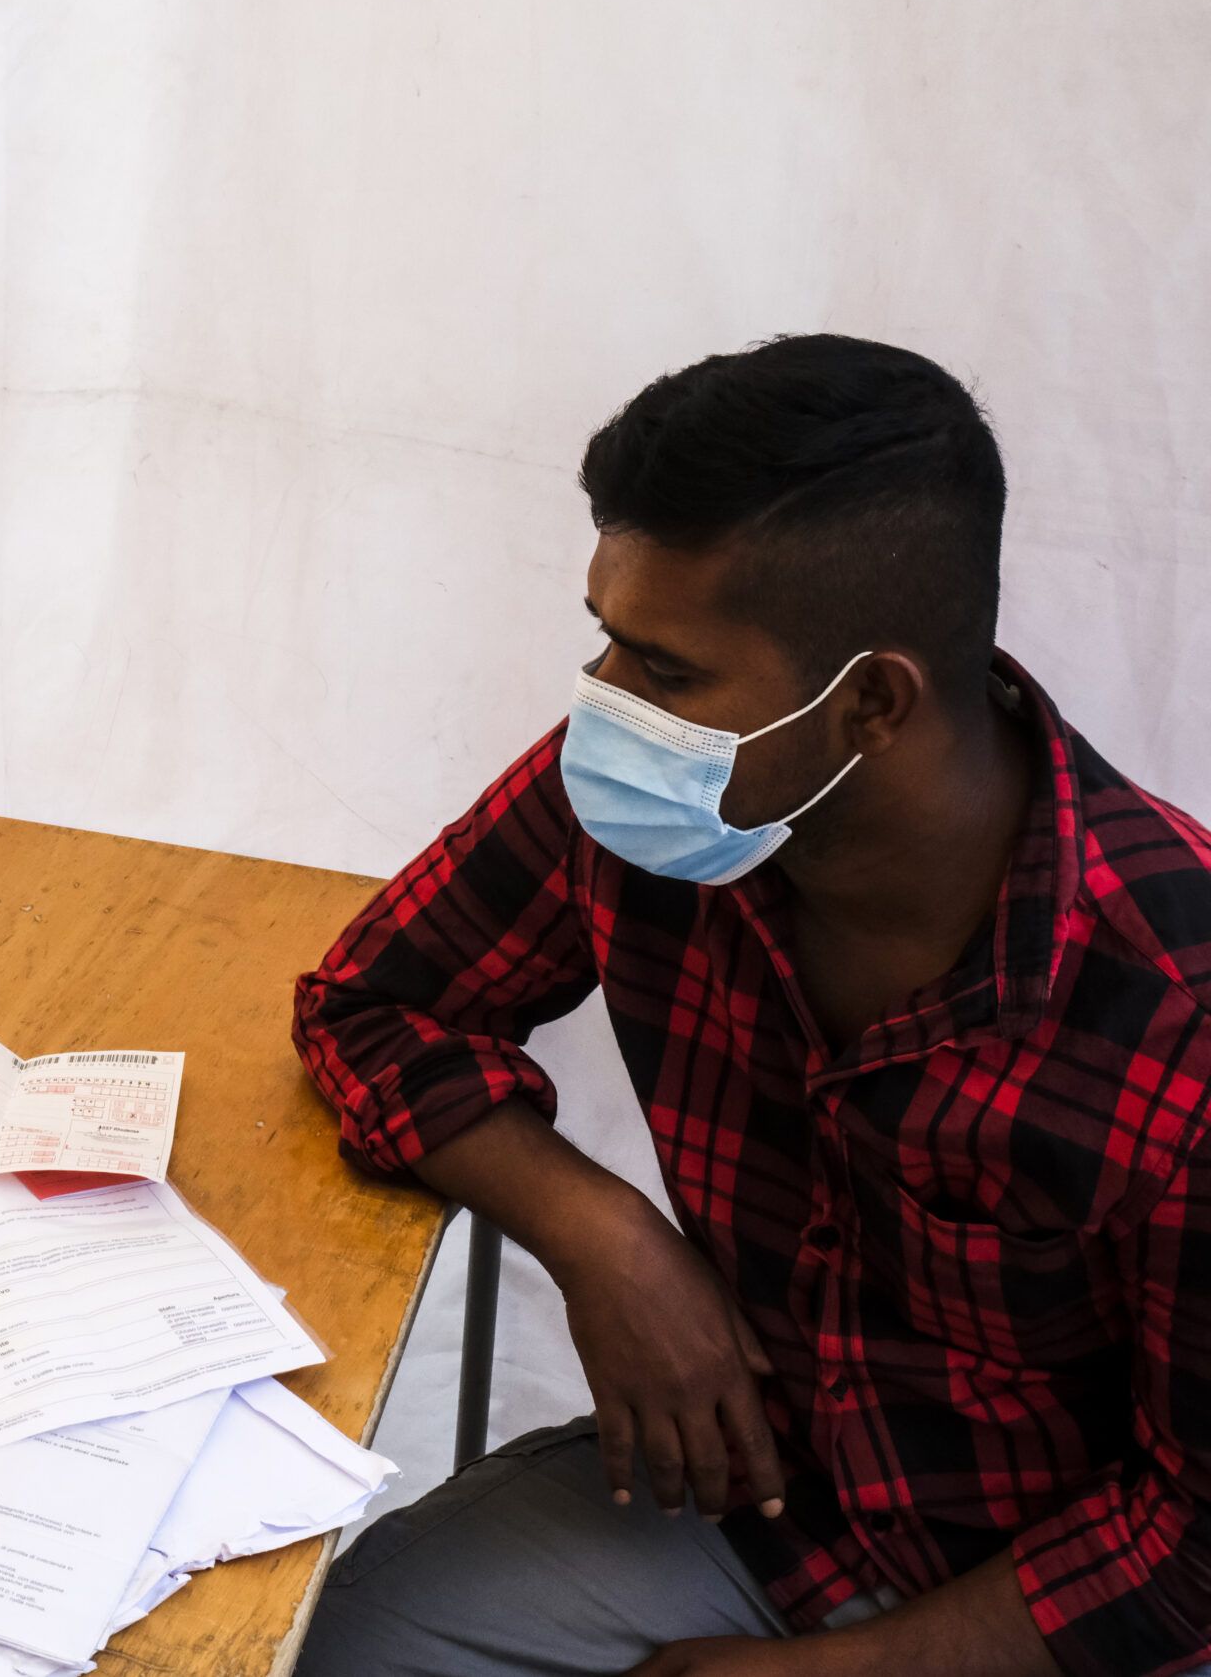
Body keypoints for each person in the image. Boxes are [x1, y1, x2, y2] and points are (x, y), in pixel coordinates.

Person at [291, 335, 1211, 1677]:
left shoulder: (1173, 1011)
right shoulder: (652, 802)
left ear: (873, 705)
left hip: (1056, 1613)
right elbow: (370, 1005)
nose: (604, 705)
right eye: (606, 636)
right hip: (775, 1506)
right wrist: (603, 1236)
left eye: (665, 670)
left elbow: (1192, 1539)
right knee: (335, 1638)